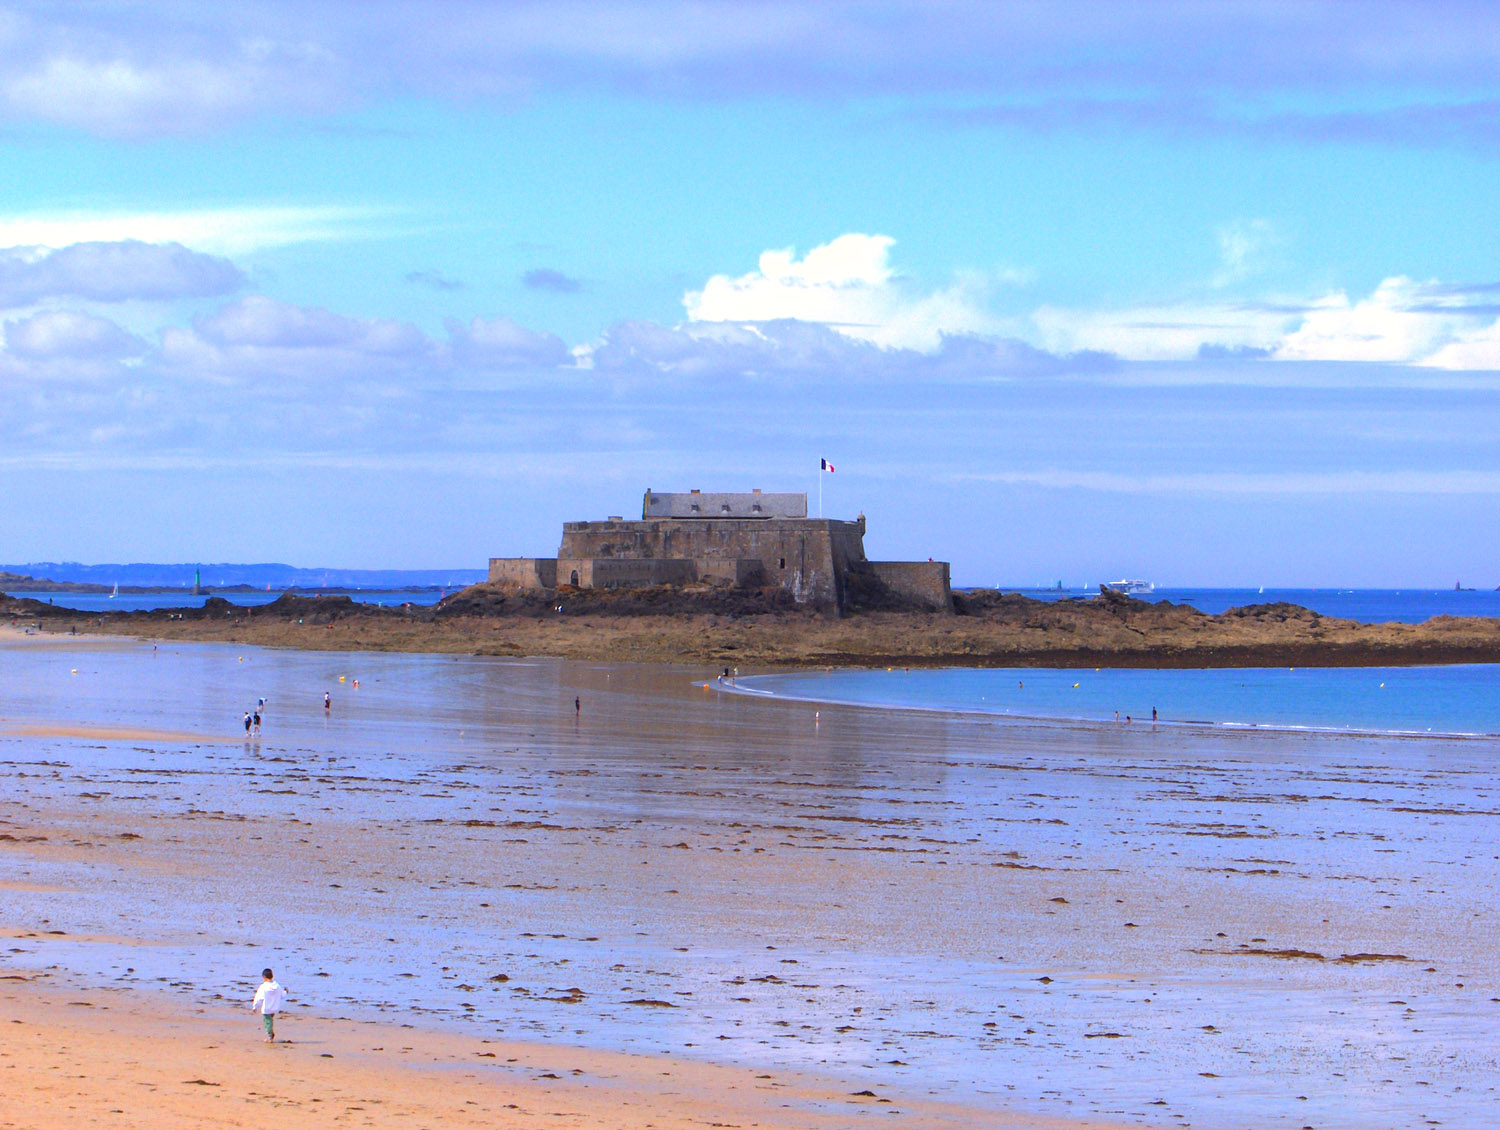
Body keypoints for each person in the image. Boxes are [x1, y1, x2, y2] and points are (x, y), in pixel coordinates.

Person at [251, 968, 287, 1042]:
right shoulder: (277, 986)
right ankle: (270, 1034)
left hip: (266, 1008)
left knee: (267, 1021)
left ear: (264, 977)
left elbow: (258, 998)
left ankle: (270, 1035)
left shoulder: (263, 987)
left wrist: (255, 1006)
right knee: (269, 1020)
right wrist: (286, 991)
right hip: (275, 1008)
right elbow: (282, 995)